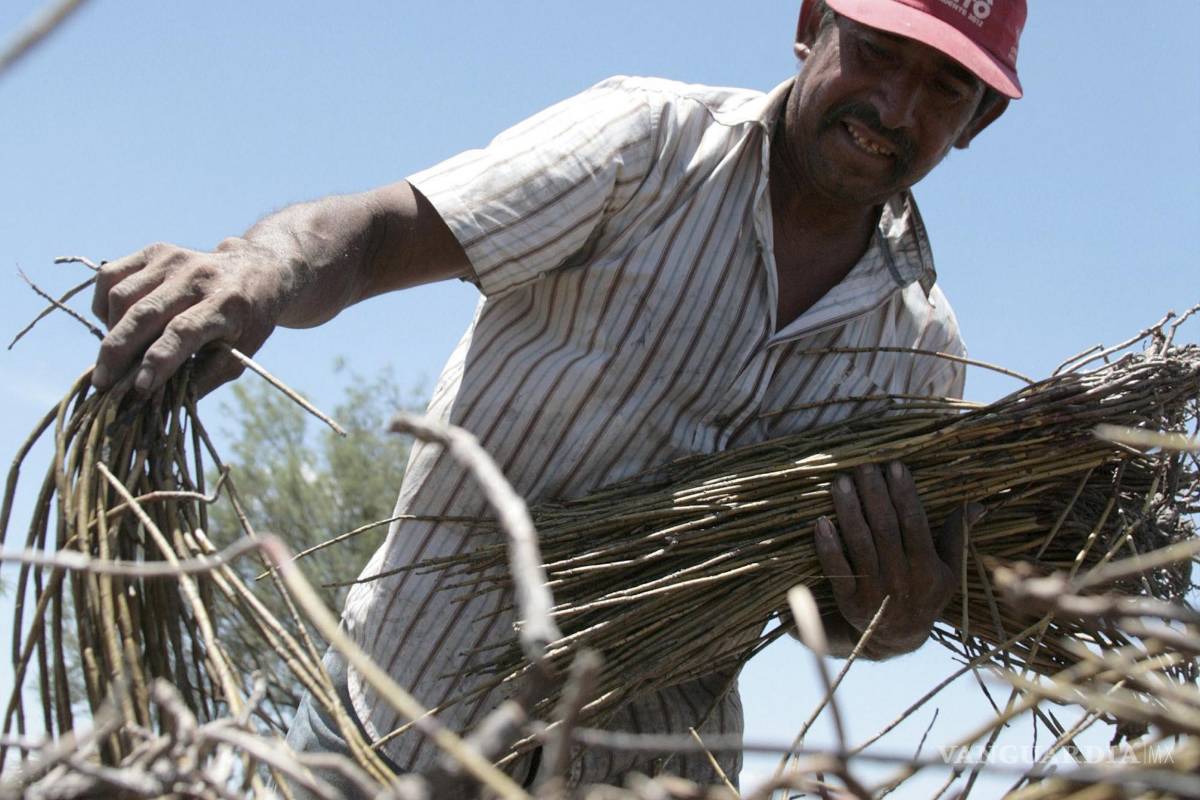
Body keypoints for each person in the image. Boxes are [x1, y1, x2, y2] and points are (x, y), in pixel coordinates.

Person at [89, 0, 1027, 790]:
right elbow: (380, 234)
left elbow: (848, 613)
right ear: (813, 23)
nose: (894, 106)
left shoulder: (921, 356)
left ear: (978, 120)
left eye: (945, 88)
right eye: (876, 53)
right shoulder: (648, 145)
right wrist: (258, 269)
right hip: (389, 740)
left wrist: (899, 617)